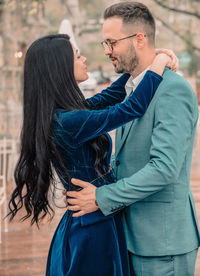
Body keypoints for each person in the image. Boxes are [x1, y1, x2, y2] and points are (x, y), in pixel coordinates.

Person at [7, 33, 174, 276]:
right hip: (93, 224)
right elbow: (132, 107)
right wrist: (158, 63)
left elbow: (110, 96)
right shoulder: (69, 121)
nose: (84, 58)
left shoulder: (63, 115)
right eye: (77, 55)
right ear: (60, 67)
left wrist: (141, 63)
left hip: (92, 214)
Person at [66, 2, 200, 276]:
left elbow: (164, 168)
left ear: (139, 38)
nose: (106, 51)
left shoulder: (173, 90)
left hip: (162, 245)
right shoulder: (131, 88)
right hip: (130, 237)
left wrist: (102, 197)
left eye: (111, 42)